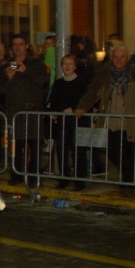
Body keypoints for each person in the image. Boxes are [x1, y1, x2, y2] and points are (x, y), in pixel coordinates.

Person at [75, 46, 135, 196]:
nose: (118, 60)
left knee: (131, 156)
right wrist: (83, 107)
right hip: (110, 122)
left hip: (131, 123)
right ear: (111, 58)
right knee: (114, 153)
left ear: (128, 58)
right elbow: (94, 92)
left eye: (122, 57)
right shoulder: (104, 74)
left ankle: (129, 184)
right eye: (115, 57)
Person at [0, 34, 48, 185]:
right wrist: (8, 78)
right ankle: (16, 175)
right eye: (14, 44)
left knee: (35, 144)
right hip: (15, 112)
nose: (17, 47)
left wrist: (26, 72)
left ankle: (33, 177)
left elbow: (42, 82)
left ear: (26, 46)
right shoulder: (6, 66)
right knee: (16, 146)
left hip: (32, 111)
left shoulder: (36, 64)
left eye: (20, 44)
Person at [47, 55, 91, 190]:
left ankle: (79, 181)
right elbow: (53, 101)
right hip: (63, 123)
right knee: (62, 151)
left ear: (75, 66)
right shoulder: (58, 83)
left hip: (78, 123)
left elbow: (86, 100)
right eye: (64, 64)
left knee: (78, 152)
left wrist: (73, 109)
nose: (67, 66)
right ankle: (64, 179)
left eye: (70, 64)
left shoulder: (82, 83)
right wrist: (55, 112)